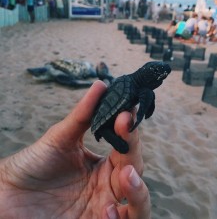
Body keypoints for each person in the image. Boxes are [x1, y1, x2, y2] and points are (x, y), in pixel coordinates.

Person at [0, 81, 150, 219]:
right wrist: (7, 183)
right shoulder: (140, 90)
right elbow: (143, 106)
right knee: (123, 137)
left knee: (122, 139)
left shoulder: (135, 87)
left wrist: (6, 183)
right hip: (108, 117)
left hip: (107, 117)